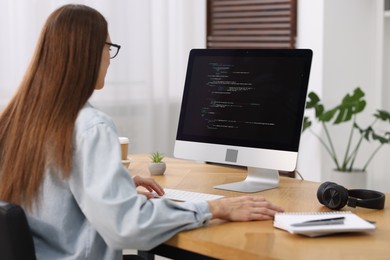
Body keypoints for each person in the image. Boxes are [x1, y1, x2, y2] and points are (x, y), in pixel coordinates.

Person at [0, 4, 284, 260]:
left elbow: (54, 190)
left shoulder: (16, 120)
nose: (109, 59)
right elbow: (127, 226)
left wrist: (115, 183)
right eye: (108, 47)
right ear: (88, 53)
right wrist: (215, 209)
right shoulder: (89, 127)